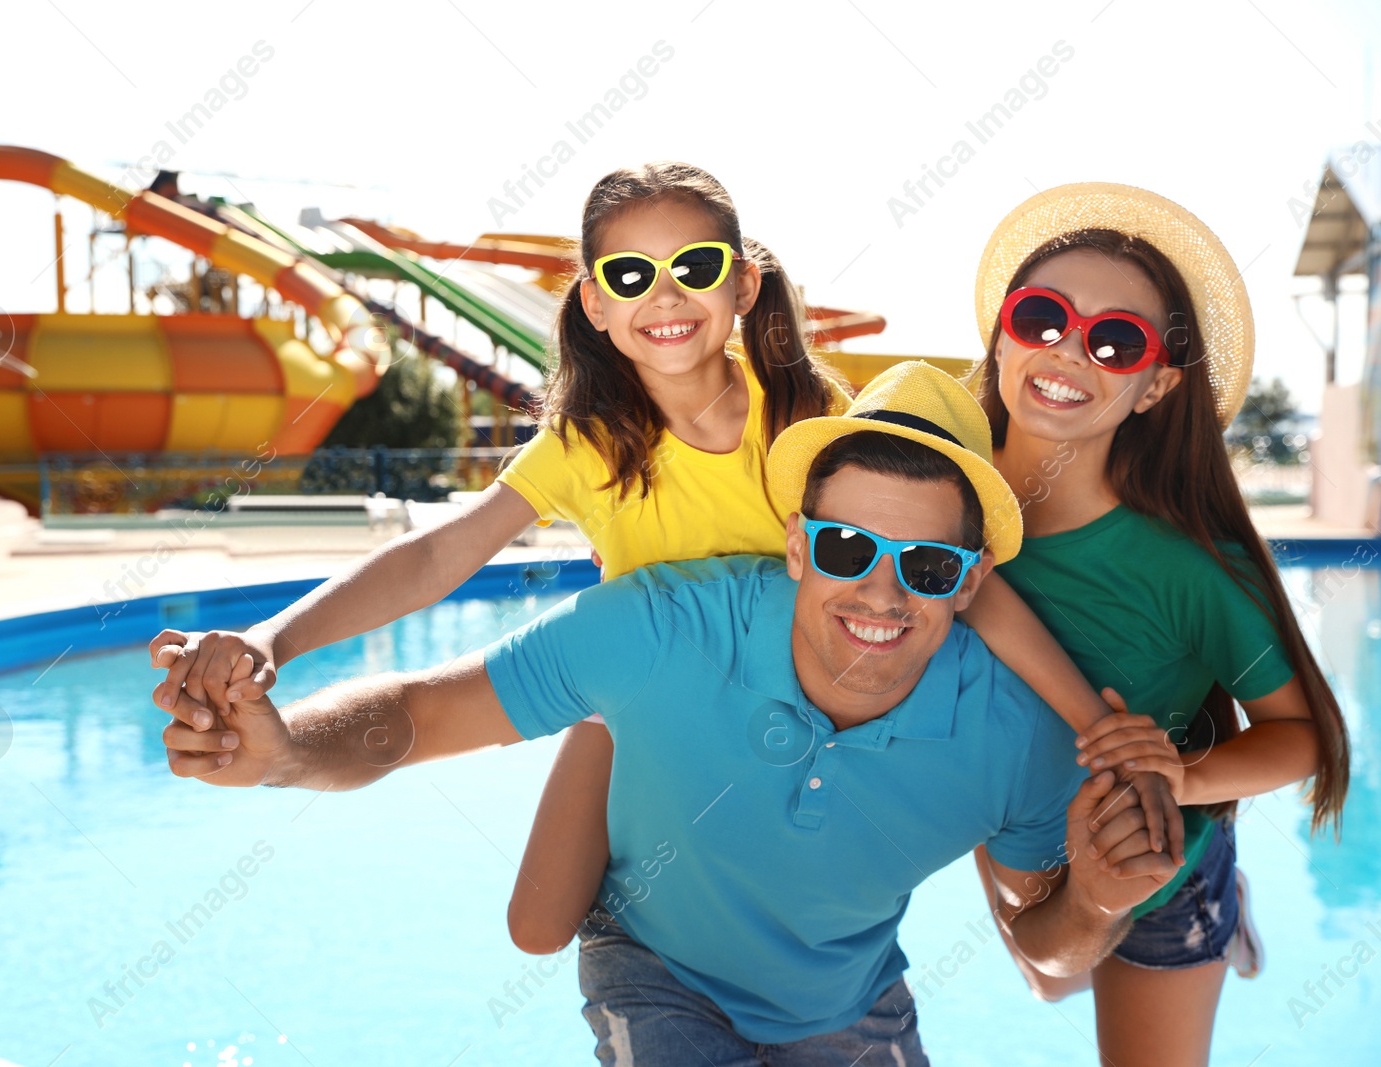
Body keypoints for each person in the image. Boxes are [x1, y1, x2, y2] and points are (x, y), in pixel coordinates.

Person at [148, 162, 1175, 957]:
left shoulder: (812, 422)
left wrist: (1093, 724)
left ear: (742, 285)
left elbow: (953, 578)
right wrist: (274, 636)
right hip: (647, 694)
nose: (665, 294)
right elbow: (437, 557)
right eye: (630, 275)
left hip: (798, 691)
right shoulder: (590, 444)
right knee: (537, 927)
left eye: (695, 267)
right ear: (595, 302)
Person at [155, 362, 1178, 1065]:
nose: (878, 593)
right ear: (794, 542)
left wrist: (1093, 901)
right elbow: (421, 712)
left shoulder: (1018, 734)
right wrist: (284, 753)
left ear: (969, 582)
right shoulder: (666, 625)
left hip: (850, 998)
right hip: (656, 963)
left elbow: (1048, 960)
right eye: (843, 549)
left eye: (923, 564)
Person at [965, 183, 1351, 1066]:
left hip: (1165, 865)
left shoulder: (1188, 568)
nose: (1069, 350)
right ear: (1001, 335)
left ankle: (1226, 900)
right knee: (1049, 976)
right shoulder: (931, 498)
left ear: (1155, 385)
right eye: (1041, 315)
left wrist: (1179, 775)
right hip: (1014, 822)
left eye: (1115, 341)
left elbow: (1305, 738)